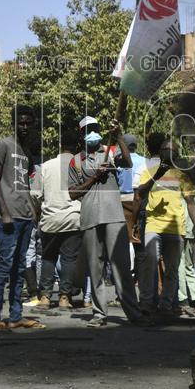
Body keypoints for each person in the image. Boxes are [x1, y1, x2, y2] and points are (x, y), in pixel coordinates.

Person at [68, 115, 148, 328]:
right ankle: (99, 314)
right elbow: (72, 193)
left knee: (121, 267)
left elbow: (129, 163)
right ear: (82, 134)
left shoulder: (111, 152)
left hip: (114, 217)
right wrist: (94, 177)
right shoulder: (76, 161)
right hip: (90, 218)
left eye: (95, 128)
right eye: (88, 129)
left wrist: (119, 136)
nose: (93, 132)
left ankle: (133, 313)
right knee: (95, 269)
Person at [0, 104, 43, 331]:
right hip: (9, 217)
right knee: (5, 265)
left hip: (25, 216)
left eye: (28, 123)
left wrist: (34, 214)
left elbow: (25, 186)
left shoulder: (26, 151)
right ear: (14, 123)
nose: (24, 126)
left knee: (20, 267)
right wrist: (5, 212)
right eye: (21, 122)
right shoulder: (4, 144)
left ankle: (16, 315)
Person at [136, 133, 195, 318]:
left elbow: (190, 202)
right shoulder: (149, 171)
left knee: (172, 270)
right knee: (150, 264)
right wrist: (157, 175)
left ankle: (166, 305)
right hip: (153, 226)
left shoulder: (181, 176)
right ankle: (147, 303)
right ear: (162, 152)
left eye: (174, 151)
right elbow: (140, 193)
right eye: (168, 150)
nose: (171, 153)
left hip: (175, 229)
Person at [30, 129, 83, 310]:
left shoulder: (45, 166)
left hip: (50, 220)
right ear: (77, 147)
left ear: (60, 145)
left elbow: (35, 195)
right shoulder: (80, 166)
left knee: (48, 258)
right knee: (69, 259)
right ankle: (64, 299)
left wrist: (38, 214)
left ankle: (45, 297)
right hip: (73, 219)